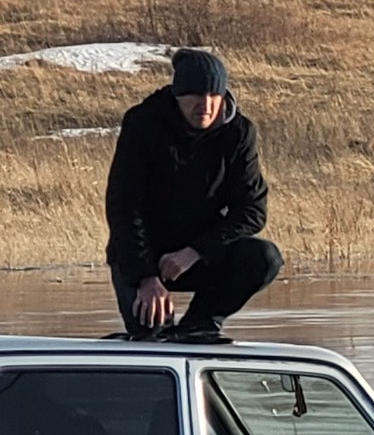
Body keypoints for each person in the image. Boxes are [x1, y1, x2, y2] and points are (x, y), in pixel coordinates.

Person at [104, 48, 283, 342]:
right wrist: (146, 277)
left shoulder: (238, 133)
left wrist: (196, 251)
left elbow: (252, 210)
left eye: (214, 95)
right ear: (177, 96)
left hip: (200, 253)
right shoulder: (144, 122)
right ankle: (149, 336)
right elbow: (124, 207)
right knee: (151, 338)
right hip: (144, 253)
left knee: (264, 257)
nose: (206, 105)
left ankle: (200, 324)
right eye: (195, 95)